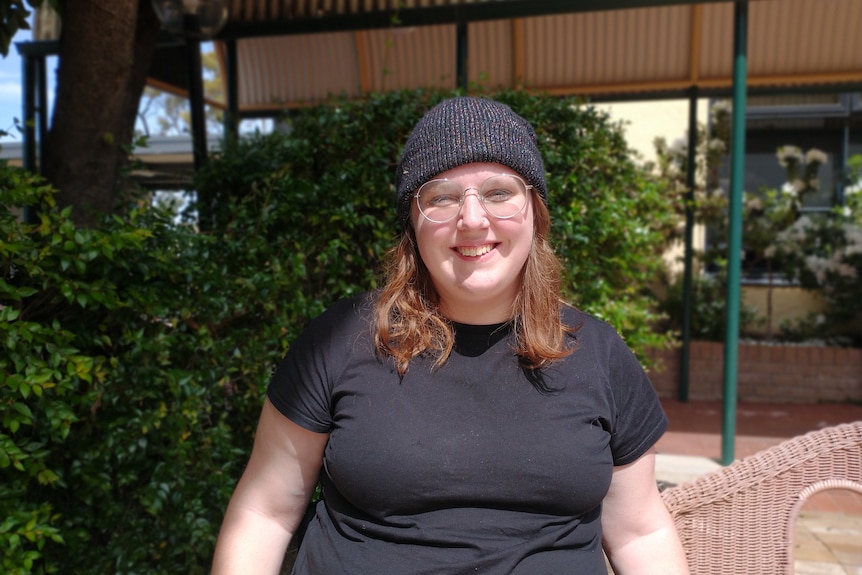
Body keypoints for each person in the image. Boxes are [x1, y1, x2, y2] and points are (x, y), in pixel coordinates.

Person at [211, 96, 689, 574]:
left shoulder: (599, 354)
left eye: (499, 192)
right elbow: (264, 514)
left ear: (535, 212)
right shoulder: (340, 341)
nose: (473, 219)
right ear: (413, 225)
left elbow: (641, 532)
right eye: (441, 197)